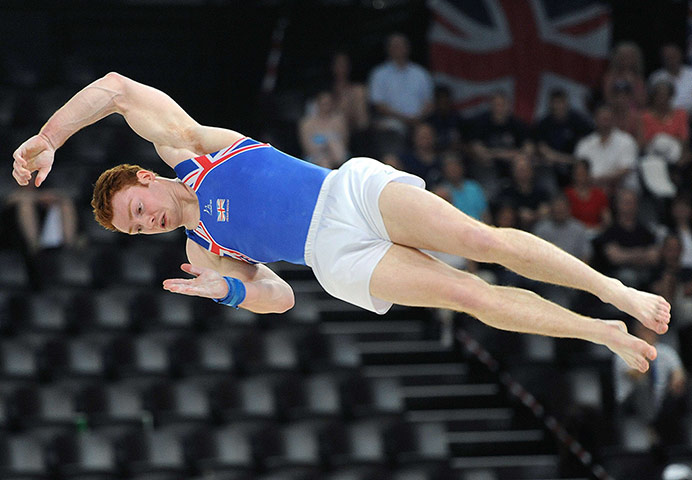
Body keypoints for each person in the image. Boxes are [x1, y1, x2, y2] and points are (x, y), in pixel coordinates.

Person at [13, 73, 671, 373]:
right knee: (466, 295)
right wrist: (231, 291)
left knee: (481, 242)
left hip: (347, 195)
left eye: (136, 210)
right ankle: (602, 331)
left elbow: (118, 90)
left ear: (144, 179)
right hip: (334, 259)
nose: (146, 223)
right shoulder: (202, 249)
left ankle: (615, 291)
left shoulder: (190, 150)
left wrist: (49, 137)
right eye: (135, 230)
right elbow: (281, 296)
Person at [368, 33, 434, 134]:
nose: (398, 49)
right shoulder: (379, 74)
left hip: (418, 120)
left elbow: (429, 103)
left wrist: (417, 118)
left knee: (426, 131)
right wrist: (403, 119)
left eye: (401, 46)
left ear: (407, 48)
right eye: (395, 46)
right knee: (393, 128)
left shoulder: (421, 73)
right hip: (392, 121)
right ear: (389, 50)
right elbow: (378, 105)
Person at [574, 104, 639, 193]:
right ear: (595, 120)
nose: (605, 122)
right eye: (602, 119)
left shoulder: (626, 140)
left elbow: (626, 170)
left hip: (620, 188)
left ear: (614, 120)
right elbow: (579, 170)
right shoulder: (585, 144)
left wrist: (602, 181)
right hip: (592, 189)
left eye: (607, 119)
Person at [298, 90, 349, 168]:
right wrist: (325, 147)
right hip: (315, 155)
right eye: (323, 104)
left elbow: (345, 141)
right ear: (317, 104)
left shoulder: (339, 120)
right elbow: (307, 148)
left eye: (328, 104)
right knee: (324, 162)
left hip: (337, 155)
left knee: (335, 146)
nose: (326, 107)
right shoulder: (307, 123)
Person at [564, 160, 611, 232]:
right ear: (573, 175)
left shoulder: (599, 194)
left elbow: (607, 219)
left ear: (588, 174)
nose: (580, 177)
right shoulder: (567, 194)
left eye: (583, 173)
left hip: (596, 232)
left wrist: (598, 229)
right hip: (573, 234)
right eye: (578, 174)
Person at [649, 43, 692, 115]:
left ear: (680, 55)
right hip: (666, 116)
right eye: (668, 57)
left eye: (673, 56)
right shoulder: (656, 78)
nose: (671, 59)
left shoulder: (690, 73)